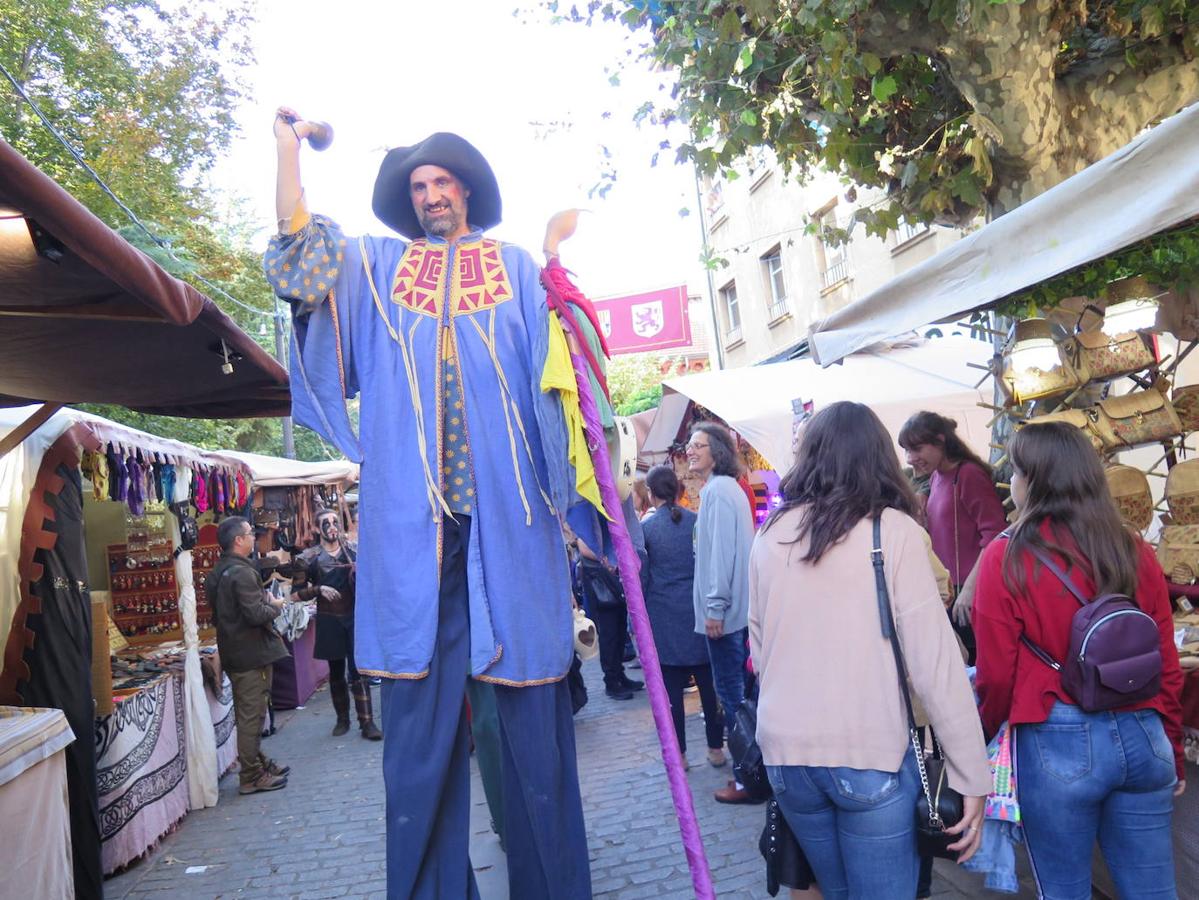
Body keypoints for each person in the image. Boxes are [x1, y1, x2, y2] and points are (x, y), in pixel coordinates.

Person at [265, 111, 591, 898]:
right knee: (417, 739)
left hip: (507, 529)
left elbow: (565, 383)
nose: (431, 194)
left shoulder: (514, 269)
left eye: (442, 181)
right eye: (418, 186)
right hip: (416, 535)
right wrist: (287, 156)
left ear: (467, 189)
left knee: (531, 732)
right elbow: (301, 264)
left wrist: (565, 305)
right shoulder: (377, 270)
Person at [749, 402, 991, 899]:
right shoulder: (893, 531)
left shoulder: (771, 535)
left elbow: (760, 648)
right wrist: (972, 773)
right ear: (878, 457)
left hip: (787, 753)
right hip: (868, 751)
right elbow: (935, 664)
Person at [972, 422, 1185, 899]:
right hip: (1143, 732)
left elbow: (996, 676)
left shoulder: (1006, 558)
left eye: (1017, 473)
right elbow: (1165, 658)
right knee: (1154, 892)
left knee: (1064, 890)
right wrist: (1170, 743)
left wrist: (985, 739)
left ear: (1033, 479)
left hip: (1055, 738)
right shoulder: (1131, 547)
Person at [899, 411, 1007, 664]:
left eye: (917, 449)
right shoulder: (937, 477)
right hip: (953, 595)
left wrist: (969, 590)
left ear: (940, 440)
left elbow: (995, 534)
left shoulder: (969, 475)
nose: (910, 458)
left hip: (972, 598)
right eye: (907, 451)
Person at [686, 422, 755, 802]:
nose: (691, 451)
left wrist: (714, 607)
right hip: (732, 614)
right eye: (690, 445)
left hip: (725, 618)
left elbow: (720, 557)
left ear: (717, 451)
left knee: (732, 699)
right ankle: (750, 773)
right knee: (738, 695)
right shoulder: (726, 490)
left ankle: (747, 778)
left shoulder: (717, 492)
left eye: (699, 445)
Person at [641, 464, 725, 769]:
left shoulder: (646, 529)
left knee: (672, 694)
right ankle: (716, 749)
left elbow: (642, 578)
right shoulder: (696, 521)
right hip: (699, 614)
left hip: (664, 619)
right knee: (709, 687)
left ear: (651, 495)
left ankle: (680, 755)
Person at [208, 516, 291, 796]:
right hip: (250, 654)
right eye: (249, 533)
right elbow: (255, 614)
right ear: (238, 540)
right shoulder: (241, 573)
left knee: (250, 714)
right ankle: (251, 775)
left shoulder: (219, 572)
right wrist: (276, 605)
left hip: (237, 652)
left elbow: (224, 616)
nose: (254, 537)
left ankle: (258, 763)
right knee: (251, 717)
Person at [292, 508, 382, 740]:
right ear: (316, 528)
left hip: (354, 619)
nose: (332, 526)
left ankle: (367, 723)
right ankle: (342, 719)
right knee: (336, 672)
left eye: (335, 522)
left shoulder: (353, 551)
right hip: (328, 620)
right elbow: (295, 594)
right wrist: (318, 589)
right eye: (326, 523)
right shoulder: (307, 558)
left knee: (358, 671)